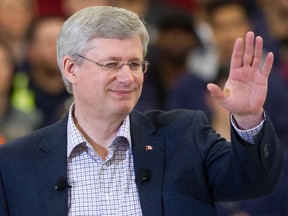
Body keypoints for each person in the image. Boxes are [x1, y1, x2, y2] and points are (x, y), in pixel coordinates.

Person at [0, 6, 283, 216]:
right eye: (111, 64)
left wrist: (248, 119)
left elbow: (254, 182)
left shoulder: (184, 136)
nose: (127, 77)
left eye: (135, 64)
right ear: (72, 69)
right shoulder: (14, 165)